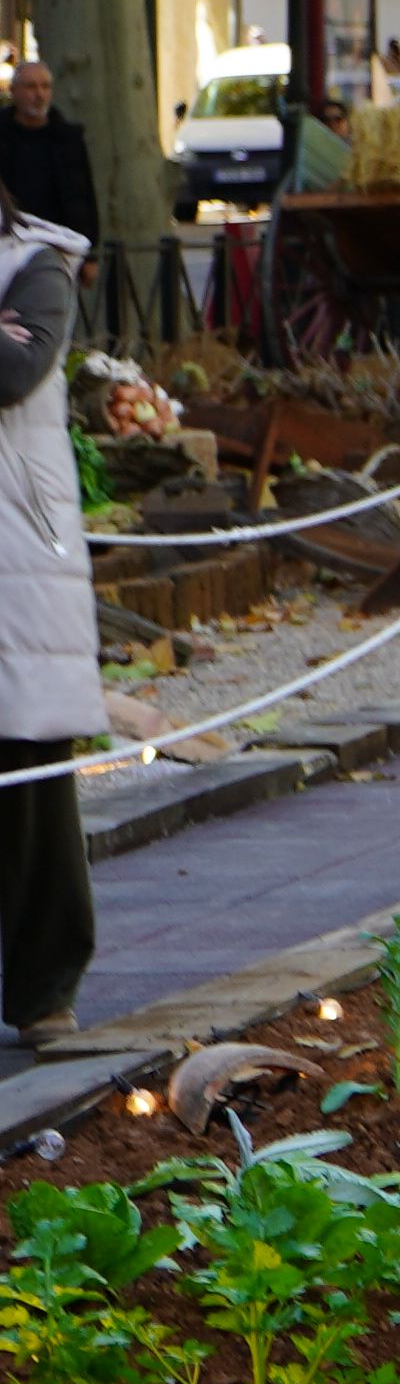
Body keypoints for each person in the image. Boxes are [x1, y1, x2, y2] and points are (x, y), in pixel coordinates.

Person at [0, 189, 99, 1043]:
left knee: (28, 772)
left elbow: (12, 373)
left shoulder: (38, 266)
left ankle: (44, 990)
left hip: (17, 560)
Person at [0, 61, 102, 240]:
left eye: (45, 86)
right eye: (31, 87)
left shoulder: (68, 138)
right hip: (10, 239)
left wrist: (88, 243)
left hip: (60, 239)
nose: (39, 94)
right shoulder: (4, 135)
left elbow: (84, 194)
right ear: (13, 91)